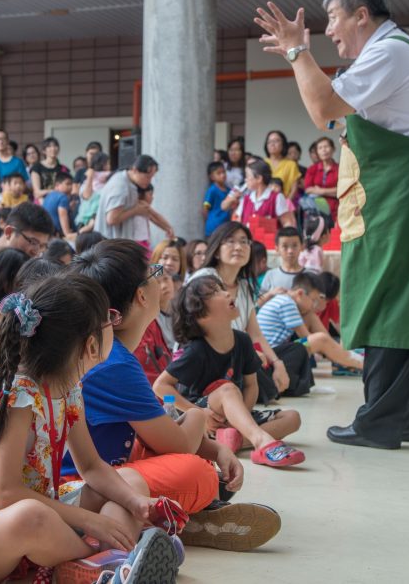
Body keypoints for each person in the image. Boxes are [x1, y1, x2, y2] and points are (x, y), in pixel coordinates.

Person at [254, 0, 409, 449]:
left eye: (333, 18)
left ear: (361, 15)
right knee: (408, 305)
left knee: (390, 301)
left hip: (407, 196)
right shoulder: (393, 52)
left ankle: (380, 421)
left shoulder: (389, 51)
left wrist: (296, 51)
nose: (328, 31)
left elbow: (322, 107)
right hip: (408, 194)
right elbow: (331, 109)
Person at [0, 275, 182, 584]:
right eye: (110, 319)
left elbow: (92, 467)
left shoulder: (69, 389)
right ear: (91, 345)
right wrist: (90, 521)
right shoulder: (20, 396)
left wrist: (138, 505)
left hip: (27, 510)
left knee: (130, 481)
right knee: (32, 518)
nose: (114, 323)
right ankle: (107, 560)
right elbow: (6, 494)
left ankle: (107, 561)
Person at [66, 240, 280, 553]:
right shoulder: (114, 361)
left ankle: (167, 518)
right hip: (85, 486)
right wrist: (197, 417)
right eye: (155, 272)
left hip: (105, 466)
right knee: (200, 475)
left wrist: (212, 446)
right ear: (141, 296)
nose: (162, 278)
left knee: (193, 458)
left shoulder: (109, 352)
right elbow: (177, 442)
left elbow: (156, 430)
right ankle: (161, 521)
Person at [155, 275, 304, 467]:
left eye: (222, 288)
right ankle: (262, 442)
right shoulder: (196, 350)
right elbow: (160, 385)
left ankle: (235, 440)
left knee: (293, 418)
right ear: (201, 314)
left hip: (234, 414)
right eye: (215, 292)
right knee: (229, 389)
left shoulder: (242, 340)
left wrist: (242, 418)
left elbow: (251, 386)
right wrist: (199, 412)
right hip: (204, 417)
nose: (226, 293)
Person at [188, 222, 294, 400]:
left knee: (294, 352)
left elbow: (256, 334)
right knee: (262, 379)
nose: (238, 247)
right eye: (230, 241)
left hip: (236, 355)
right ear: (216, 249)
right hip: (207, 358)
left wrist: (278, 363)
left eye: (244, 242)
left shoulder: (244, 286)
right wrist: (250, 354)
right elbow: (200, 330)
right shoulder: (204, 279)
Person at [257, 272, 362, 372]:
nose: (313, 305)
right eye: (313, 300)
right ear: (300, 293)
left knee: (311, 319)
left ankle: (343, 356)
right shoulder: (287, 304)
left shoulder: (283, 299)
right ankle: (357, 361)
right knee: (321, 339)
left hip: (273, 351)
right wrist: (327, 348)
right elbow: (306, 337)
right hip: (271, 355)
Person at [94, 155, 161, 240]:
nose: (149, 181)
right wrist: (135, 210)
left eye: (151, 177)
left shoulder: (128, 182)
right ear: (135, 170)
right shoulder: (121, 185)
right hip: (111, 242)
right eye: (147, 177)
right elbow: (112, 219)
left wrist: (167, 228)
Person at [230, 161, 294, 229]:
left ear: (259, 179)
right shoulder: (246, 199)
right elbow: (238, 221)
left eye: (248, 176)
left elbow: (287, 222)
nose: (246, 180)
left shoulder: (276, 198)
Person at [259, 227, 306, 299]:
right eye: (285, 246)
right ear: (277, 249)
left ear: (302, 247)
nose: (290, 251)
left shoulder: (309, 274)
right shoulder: (270, 275)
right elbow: (258, 303)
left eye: (295, 245)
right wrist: (271, 293)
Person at [303, 135, 339, 218]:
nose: (324, 150)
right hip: (314, 212)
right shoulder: (312, 169)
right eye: (320, 148)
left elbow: (342, 190)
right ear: (317, 152)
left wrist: (321, 191)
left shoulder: (340, 169)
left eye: (326, 146)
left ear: (333, 149)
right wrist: (332, 192)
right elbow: (308, 189)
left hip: (336, 210)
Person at [262, 131, 300, 199]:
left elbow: (294, 189)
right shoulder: (262, 163)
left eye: (276, 141)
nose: (272, 144)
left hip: (284, 203)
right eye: (269, 141)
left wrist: (287, 205)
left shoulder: (291, 164)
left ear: (283, 144)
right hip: (264, 203)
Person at [30, 137, 70, 201]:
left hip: (59, 201)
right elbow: (37, 192)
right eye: (49, 146)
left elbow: (67, 189)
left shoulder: (63, 169)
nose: (53, 148)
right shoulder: (37, 167)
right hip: (41, 201)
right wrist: (52, 191)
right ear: (44, 151)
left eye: (55, 146)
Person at [203, 161, 233, 237]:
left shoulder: (229, 190)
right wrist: (210, 221)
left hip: (226, 226)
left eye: (223, 172)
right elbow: (205, 208)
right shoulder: (212, 190)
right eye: (218, 173)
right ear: (212, 177)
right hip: (213, 227)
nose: (222, 175)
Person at [42, 172, 75, 236]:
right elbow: (62, 215)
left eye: (71, 184)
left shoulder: (48, 195)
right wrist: (67, 233)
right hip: (56, 233)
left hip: (46, 231)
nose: (70, 187)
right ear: (57, 185)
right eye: (67, 184)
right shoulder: (63, 197)